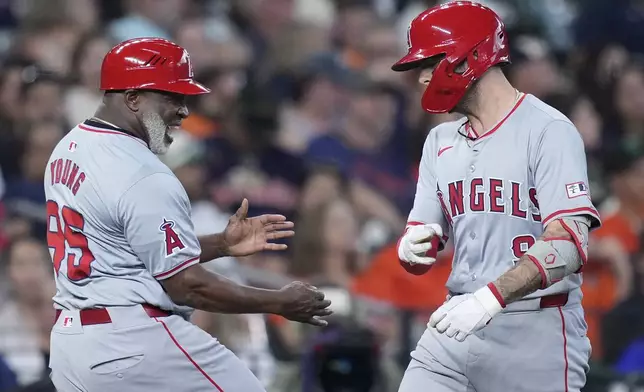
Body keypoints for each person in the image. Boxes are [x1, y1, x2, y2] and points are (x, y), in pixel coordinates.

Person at [45, 37, 332, 392]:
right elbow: (189, 286)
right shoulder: (143, 172)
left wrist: (221, 245)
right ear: (132, 98)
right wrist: (279, 301)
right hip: (135, 342)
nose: (183, 111)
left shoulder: (67, 149)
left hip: (72, 346)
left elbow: (125, 249)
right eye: (171, 97)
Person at [392, 3, 600, 392]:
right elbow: (425, 231)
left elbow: (569, 244)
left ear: (468, 57)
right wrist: (414, 246)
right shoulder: (439, 140)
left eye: (430, 63)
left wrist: (490, 299)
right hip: (453, 324)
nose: (421, 78)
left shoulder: (548, 130)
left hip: (535, 333)